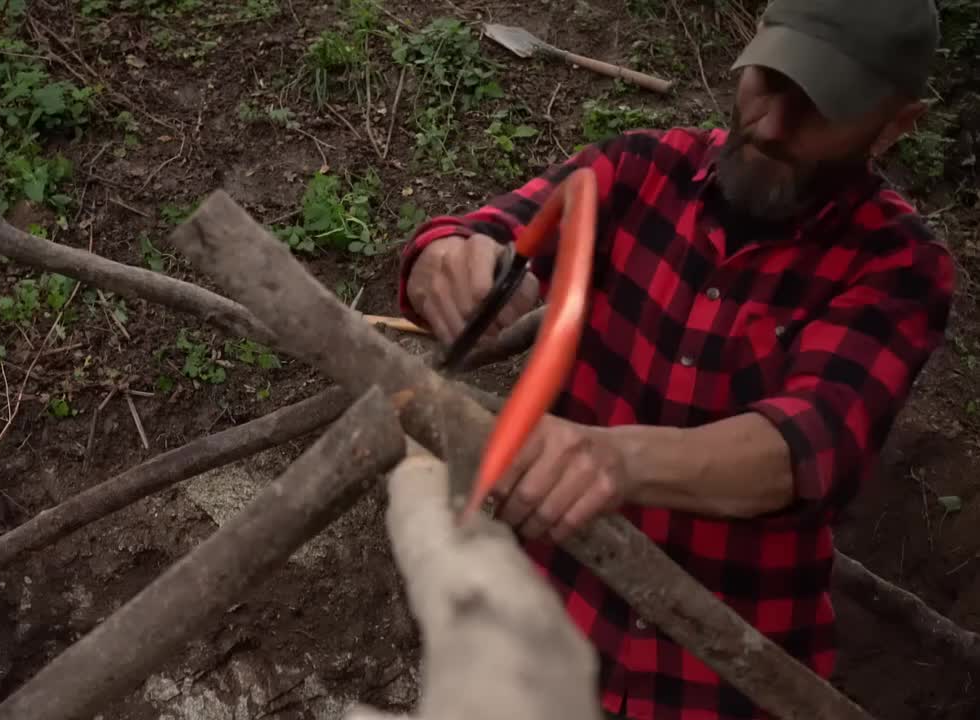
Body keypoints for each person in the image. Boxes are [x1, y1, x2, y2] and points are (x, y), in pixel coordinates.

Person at [396, 0, 955, 718]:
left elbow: (803, 447)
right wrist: (447, 263)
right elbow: (482, 232)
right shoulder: (639, 169)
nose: (772, 126)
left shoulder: (898, 266)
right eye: (771, 82)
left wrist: (619, 461)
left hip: (716, 679)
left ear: (896, 123)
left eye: (820, 107)